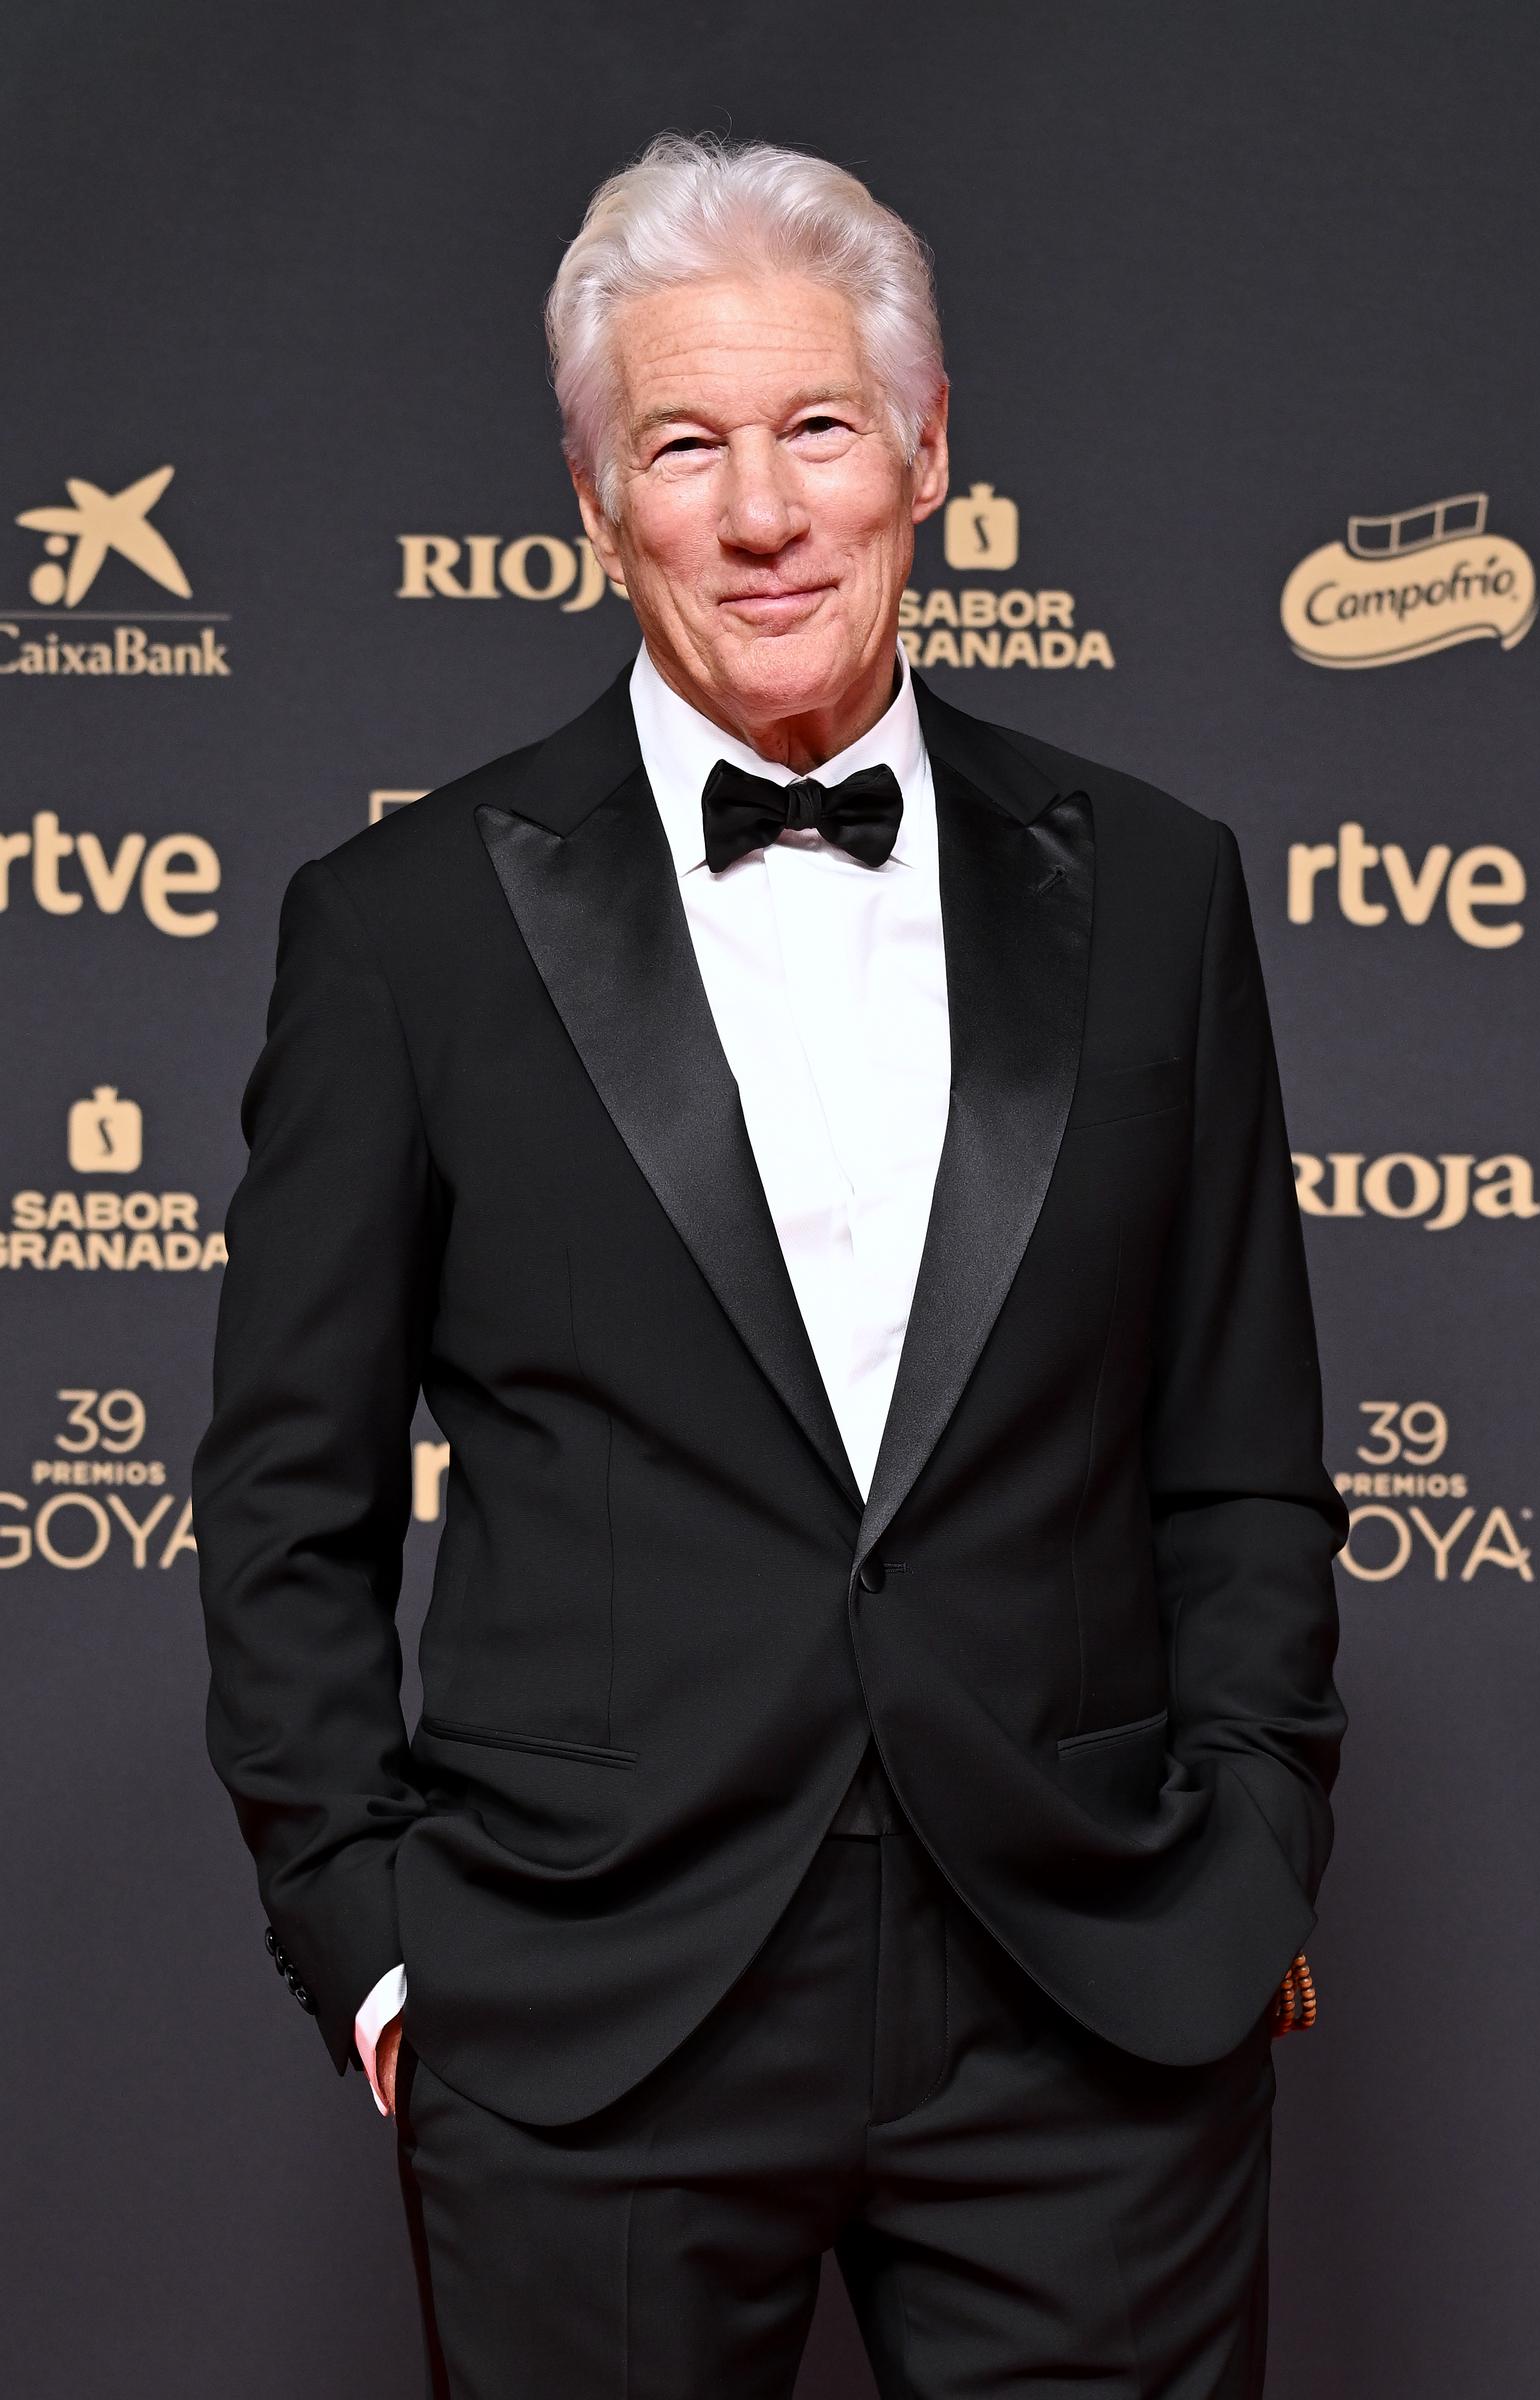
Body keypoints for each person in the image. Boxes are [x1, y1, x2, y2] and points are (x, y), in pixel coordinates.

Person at [193, 129, 1348, 2398]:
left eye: (816, 427)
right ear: (594, 501)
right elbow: (282, 1505)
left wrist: (1252, 1851)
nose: (757, 509)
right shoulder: (402, 931)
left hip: (1086, 1996)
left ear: (924, 450)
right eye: (680, 445)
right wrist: (379, 1947)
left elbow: (1239, 1455)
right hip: (586, 2013)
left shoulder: (1160, 891)